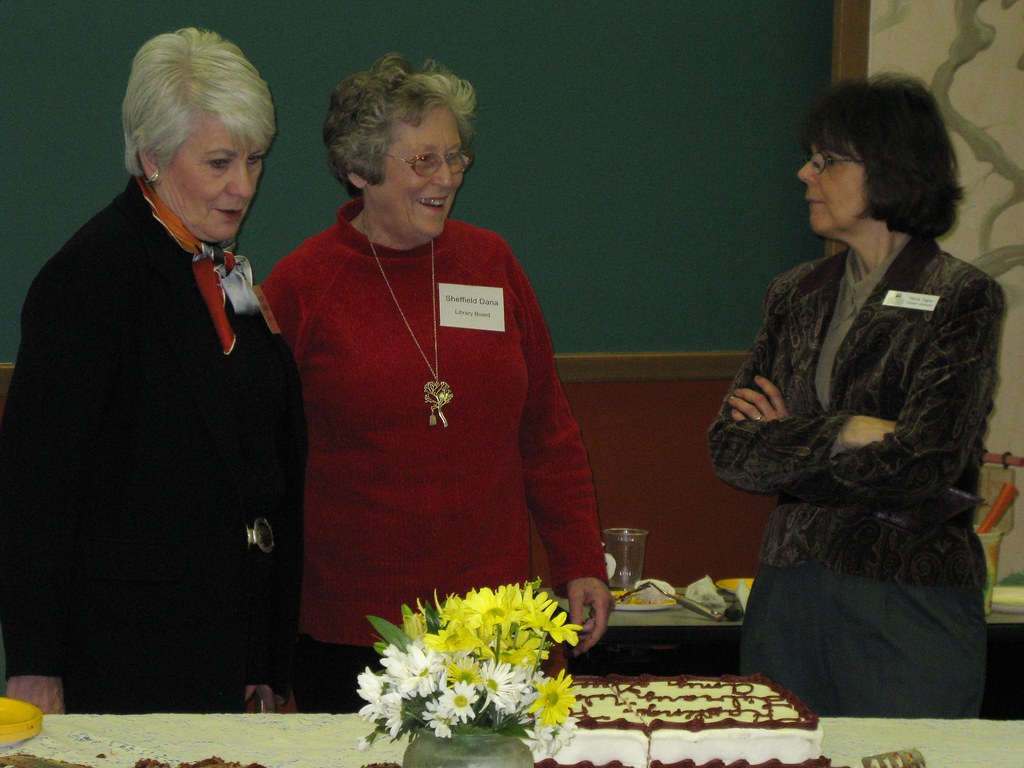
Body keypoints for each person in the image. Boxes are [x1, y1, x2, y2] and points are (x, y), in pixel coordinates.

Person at [262, 52, 613, 712]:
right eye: (424, 161)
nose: (448, 177)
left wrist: (579, 560)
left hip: (494, 620)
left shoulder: (490, 262)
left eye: (456, 158)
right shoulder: (305, 284)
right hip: (352, 630)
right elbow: (265, 467)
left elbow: (547, 433)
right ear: (360, 169)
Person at [0, 28, 306, 714]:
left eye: (255, 160)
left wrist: (265, 658)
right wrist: (34, 668)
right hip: (125, 665)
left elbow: (255, 469)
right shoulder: (91, 276)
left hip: (231, 661)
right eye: (221, 162)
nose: (244, 187)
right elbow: (35, 492)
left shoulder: (218, 268)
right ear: (152, 157)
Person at [707, 75, 1004, 717]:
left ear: (888, 168)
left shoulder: (960, 296)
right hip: (789, 599)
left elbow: (925, 464)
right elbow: (731, 448)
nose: (803, 174)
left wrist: (790, 445)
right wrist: (841, 430)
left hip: (907, 601)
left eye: (826, 160)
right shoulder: (795, 292)